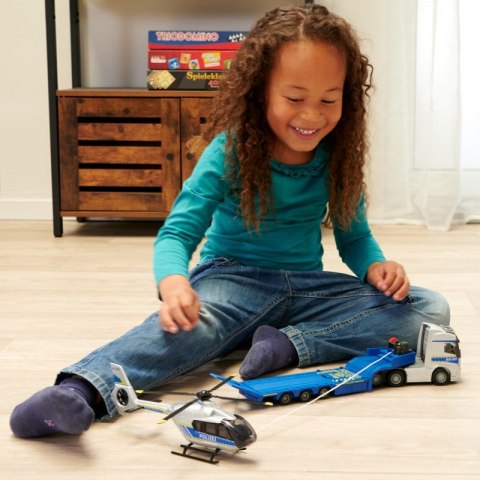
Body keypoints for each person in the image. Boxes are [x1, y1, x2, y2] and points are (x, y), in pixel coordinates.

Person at [10, 4, 449, 439]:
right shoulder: (229, 151)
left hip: (308, 289)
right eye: (295, 99)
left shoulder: (339, 158)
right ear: (260, 91)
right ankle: (79, 391)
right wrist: (174, 283)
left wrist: (376, 267)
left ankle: (287, 345)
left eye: (328, 100)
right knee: (185, 329)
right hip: (233, 281)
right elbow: (178, 232)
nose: (312, 115)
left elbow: (354, 238)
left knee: (428, 308)